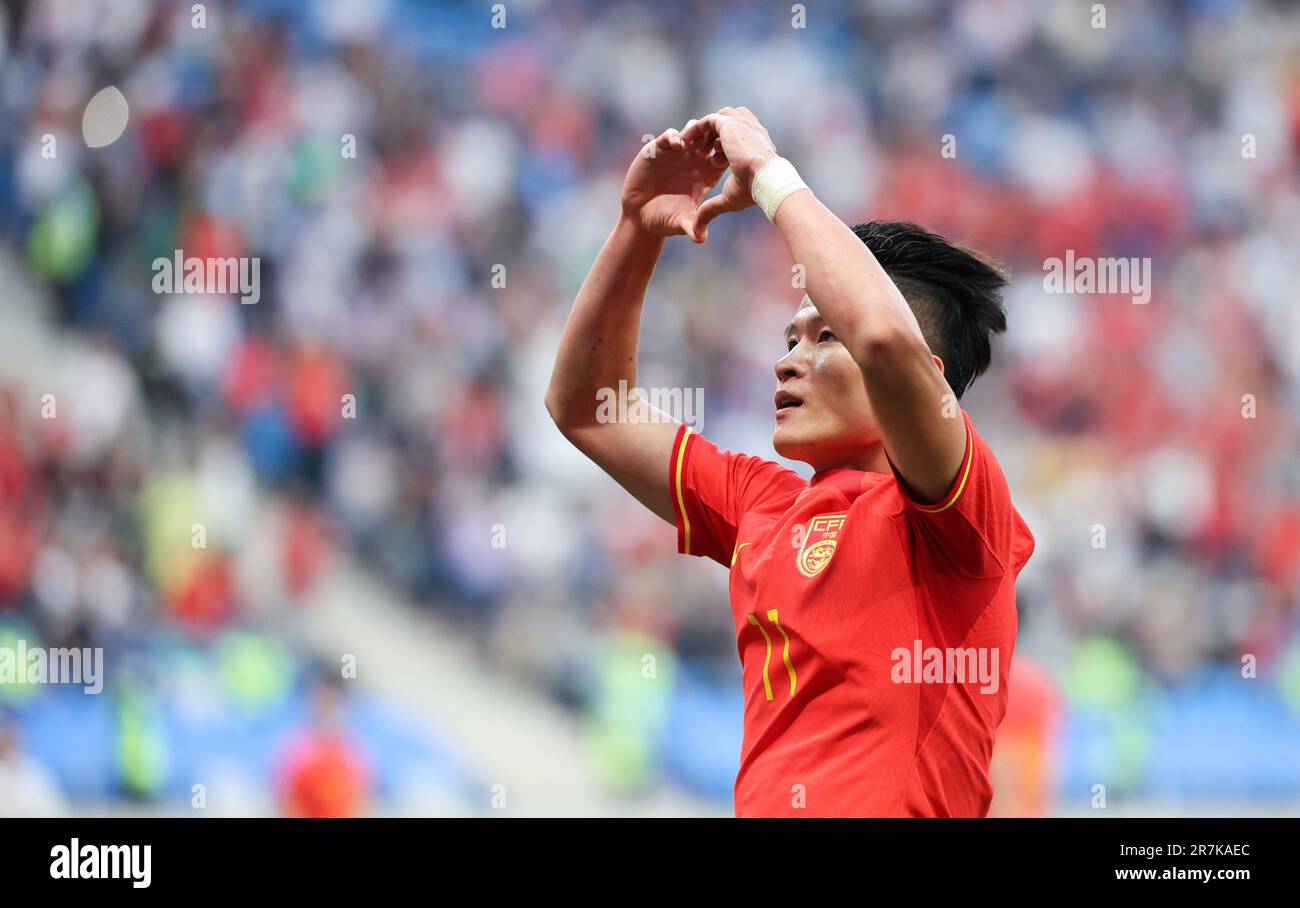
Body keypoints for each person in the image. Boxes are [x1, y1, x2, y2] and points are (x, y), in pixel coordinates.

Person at [546, 106, 1035, 817]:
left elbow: (884, 339)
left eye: (821, 337)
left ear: (923, 379)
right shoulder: (761, 505)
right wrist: (638, 229)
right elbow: (589, 408)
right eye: (789, 337)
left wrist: (772, 179)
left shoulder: (961, 518)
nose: (787, 360)